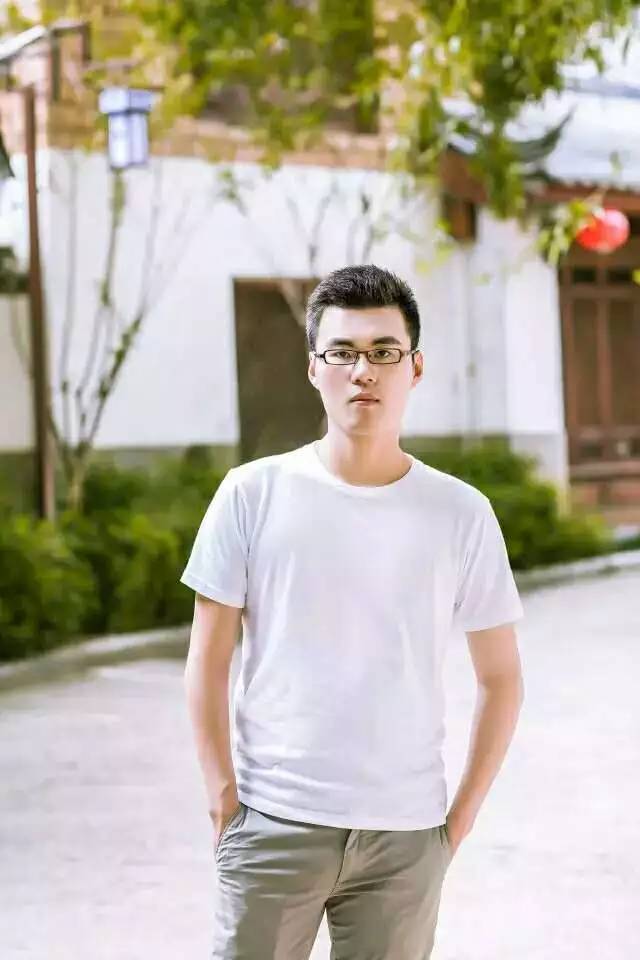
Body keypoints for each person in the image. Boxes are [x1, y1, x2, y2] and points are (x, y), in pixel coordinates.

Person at [181, 264, 525, 959]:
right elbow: (207, 662)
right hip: (275, 820)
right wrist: (224, 798)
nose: (362, 371)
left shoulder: (461, 513)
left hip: (406, 837)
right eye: (341, 352)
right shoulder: (251, 494)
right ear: (314, 368)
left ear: (415, 367)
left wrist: (457, 822)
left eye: (383, 352)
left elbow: (502, 678)